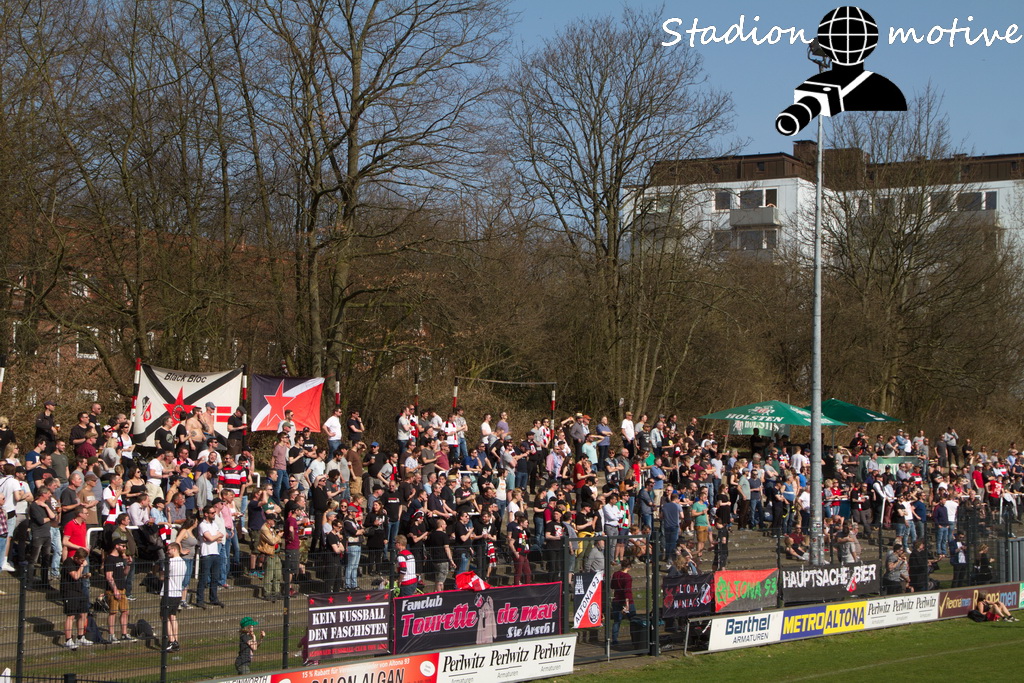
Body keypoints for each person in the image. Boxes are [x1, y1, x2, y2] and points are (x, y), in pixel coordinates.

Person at [104, 540, 136, 642]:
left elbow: (124, 573)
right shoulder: (109, 559)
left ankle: (124, 633)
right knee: (113, 612)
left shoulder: (120, 558)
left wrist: (128, 564)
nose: (124, 548)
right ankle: (111, 634)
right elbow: (109, 576)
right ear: (116, 546)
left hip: (122, 588)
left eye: (125, 546)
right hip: (112, 590)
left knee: (125, 611)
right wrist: (115, 589)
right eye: (123, 546)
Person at [60, 549, 92, 649]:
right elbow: (75, 576)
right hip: (69, 591)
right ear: (76, 558)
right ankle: (68, 639)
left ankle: (80, 636)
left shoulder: (78, 563)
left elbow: (78, 576)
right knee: (71, 615)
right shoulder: (68, 562)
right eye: (81, 560)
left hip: (78, 590)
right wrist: (82, 567)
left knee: (83, 613)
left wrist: (84, 576)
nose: (82, 562)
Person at [196, 504, 225, 608]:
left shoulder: (214, 524)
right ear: (206, 514)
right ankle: (200, 600)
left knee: (215, 578)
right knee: (203, 578)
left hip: (215, 553)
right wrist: (214, 537)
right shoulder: (202, 525)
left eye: (214, 512)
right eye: (212, 513)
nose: (214, 514)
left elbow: (220, 537)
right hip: (206, 554)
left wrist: (213, 537)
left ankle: (213, 598)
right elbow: (211, 538)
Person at [162, 542, 187, 651]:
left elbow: (162, 576)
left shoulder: (170, 562)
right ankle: (175, 640)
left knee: (164, 616)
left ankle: (171, 640)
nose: (167, 552)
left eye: (169, 550)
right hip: (177, 593)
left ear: (174, 549)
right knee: (173, 616)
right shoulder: (183, 563)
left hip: (169, 592)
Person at [610, 559, 635, 646]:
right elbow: (627, 592)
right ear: (629, 567)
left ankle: (614, 639)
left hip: (617, 599)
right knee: (633, 620)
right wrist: (627, 605)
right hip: (627, 601)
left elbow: (612, 586)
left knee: (616, 621)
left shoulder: (615, 574)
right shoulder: (628, 577)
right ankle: (635, 637)